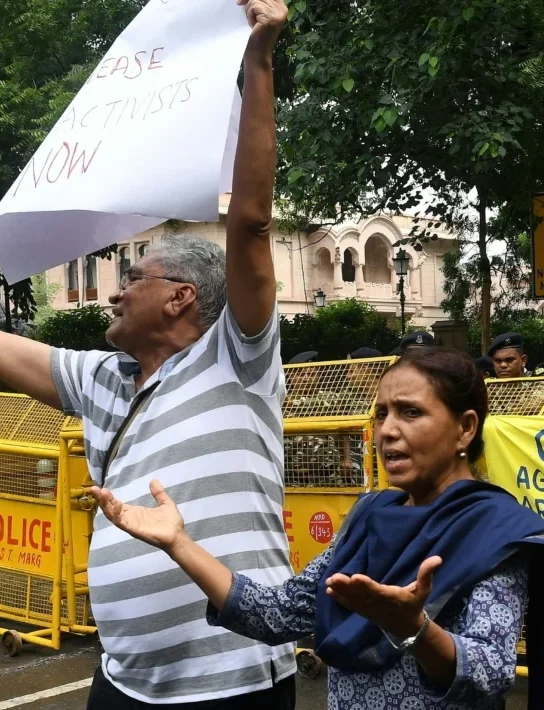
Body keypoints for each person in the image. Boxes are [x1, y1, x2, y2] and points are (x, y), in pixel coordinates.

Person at [0, 2, 296, 705]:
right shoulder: (102, 379)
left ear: (181, 298)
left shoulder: (238, 362)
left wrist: (258, 61)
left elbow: (251, 224)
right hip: (122, 682)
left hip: (233, 684)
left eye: (132, 278)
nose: (114, 294)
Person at [92, 348, 544, 710]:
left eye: (411, 412)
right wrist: (179, 544)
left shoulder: (496, 532)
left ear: (465, 429)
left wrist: (414, 627)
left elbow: (489, 673)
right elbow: (279, 614)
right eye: (382, 413)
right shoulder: (371, 516)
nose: (387, 429)